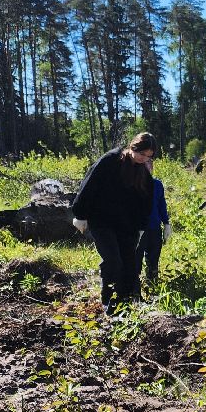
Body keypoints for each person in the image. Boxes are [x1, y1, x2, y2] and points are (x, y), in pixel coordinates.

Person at [71, 132, 158, 310]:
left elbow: (146, 201)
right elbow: (89, 184)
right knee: (113, 261)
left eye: (149, 156)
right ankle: (108, 303)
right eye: (142, 154)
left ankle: (127, 301)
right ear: (133, 148)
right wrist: (80, 215)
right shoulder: (111, 160)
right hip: (102, 221)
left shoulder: (143, 173)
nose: (144, 159)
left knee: (129, 263)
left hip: (127, 226)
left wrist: (141, 226)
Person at [135, 158, 170, 285]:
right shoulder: (133, 184)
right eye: (146, 163)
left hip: (154, 228)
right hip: (137, 229)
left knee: (153, 259)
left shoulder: (157, 185)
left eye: (151, 162)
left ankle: (152, 284)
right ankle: (134, 289)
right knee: (135, 260)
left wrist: (166, 223)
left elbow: (161, 205)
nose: (149, 165)